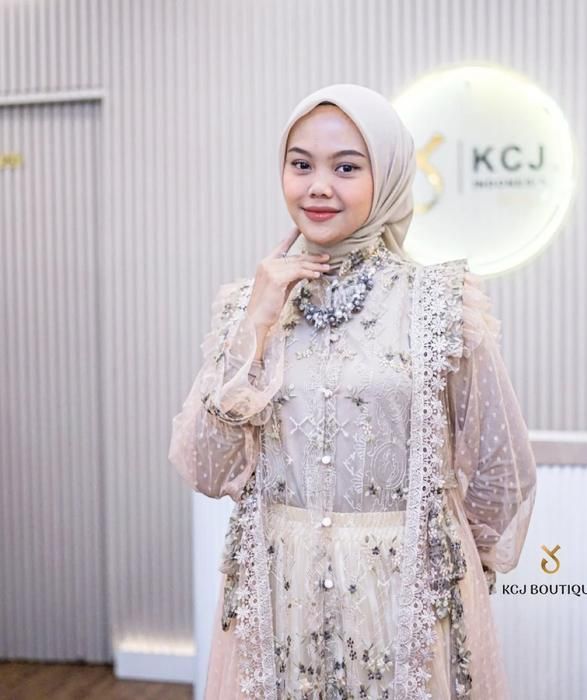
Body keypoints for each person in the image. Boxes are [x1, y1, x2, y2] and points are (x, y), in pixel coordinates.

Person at [168, 82, 537, 699]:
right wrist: (256, 324)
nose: (318, 186)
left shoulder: (440, 303)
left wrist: (462, 574)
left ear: (386, 175)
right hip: (279, 600)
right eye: (301, 164)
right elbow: (205, 467)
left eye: (346, 167)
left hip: (408, 600)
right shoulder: (249, 306)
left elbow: (501, 469)